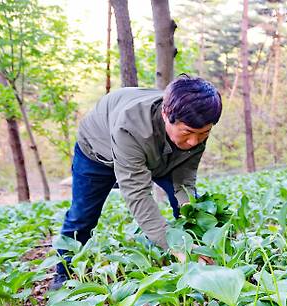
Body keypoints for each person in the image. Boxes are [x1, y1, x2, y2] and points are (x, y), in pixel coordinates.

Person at [52, 74, 222, 290]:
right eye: (188, 132)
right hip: (98, 154)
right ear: (165, 113)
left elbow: (184, 182)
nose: (194, 141)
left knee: (189, 206)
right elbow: (138, 194)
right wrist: (175, 246)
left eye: (204, 133)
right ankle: (63, 274)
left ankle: (200, 259)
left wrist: (190, 217)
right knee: (82, 216)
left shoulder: (194, 125)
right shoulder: (130, 126)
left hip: (160, 156)